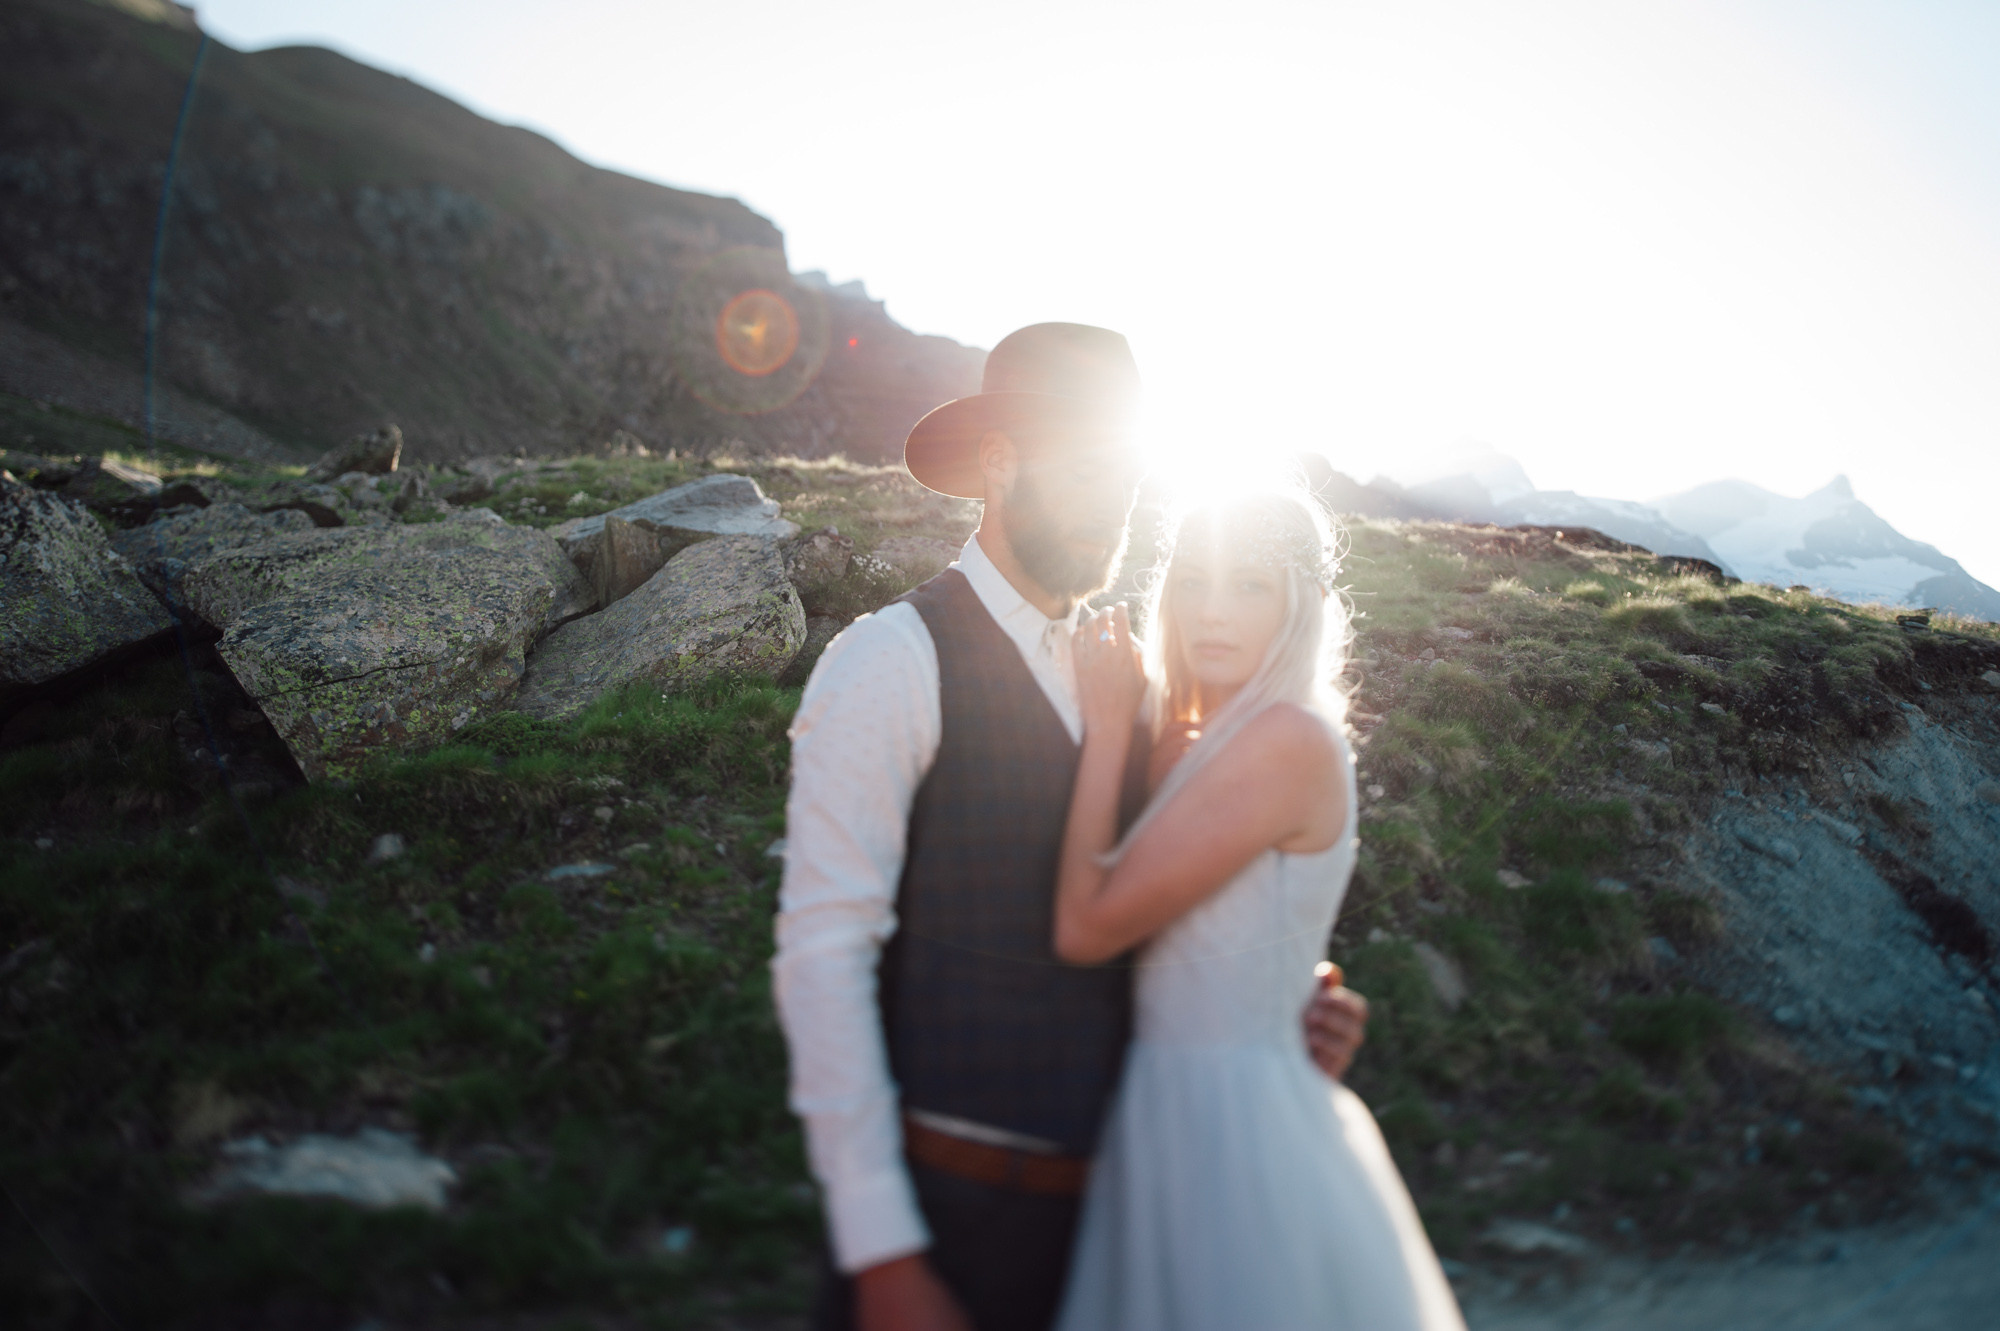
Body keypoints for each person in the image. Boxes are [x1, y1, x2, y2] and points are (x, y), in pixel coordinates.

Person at [772, 323, 1373, 1331]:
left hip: (1129, 1213)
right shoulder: (888, 659)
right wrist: (880, 1248)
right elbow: (821, 957)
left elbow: (1182, 890)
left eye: (1127, 478)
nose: (1116, 510)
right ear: (999, 465)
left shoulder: (1131, 690)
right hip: (954, 1207)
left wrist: (1284, 997)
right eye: (1087, 472)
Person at [1051, 489, 1465, 1330]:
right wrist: (1296, 979)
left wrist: (1103, 730)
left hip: (1234, 1128)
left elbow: (1086, 927)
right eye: (1194, 580)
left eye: (1250, 584)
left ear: (1298, 603)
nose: (1213, 611)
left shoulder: (1287, 742)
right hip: (1161, 1107)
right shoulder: (1185, 735)